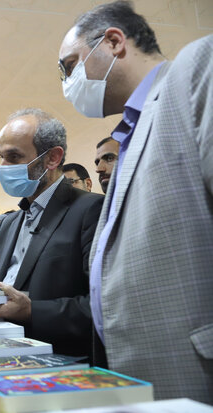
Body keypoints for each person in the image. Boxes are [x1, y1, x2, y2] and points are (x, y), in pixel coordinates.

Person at [59, 1, 212, 401]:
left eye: (71, 65)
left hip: (192, 369)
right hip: (130, 371)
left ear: (113, 42)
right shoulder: (129, 132)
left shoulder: (197, 68)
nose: (67, 82)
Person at [0, 108, 103, 358]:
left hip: (57, 359)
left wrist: (32, 311)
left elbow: (102, 304)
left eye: (14, 156)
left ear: (52, 158)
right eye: (1, 157)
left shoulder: (90, 210)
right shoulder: (9, 223)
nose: (4, 167)